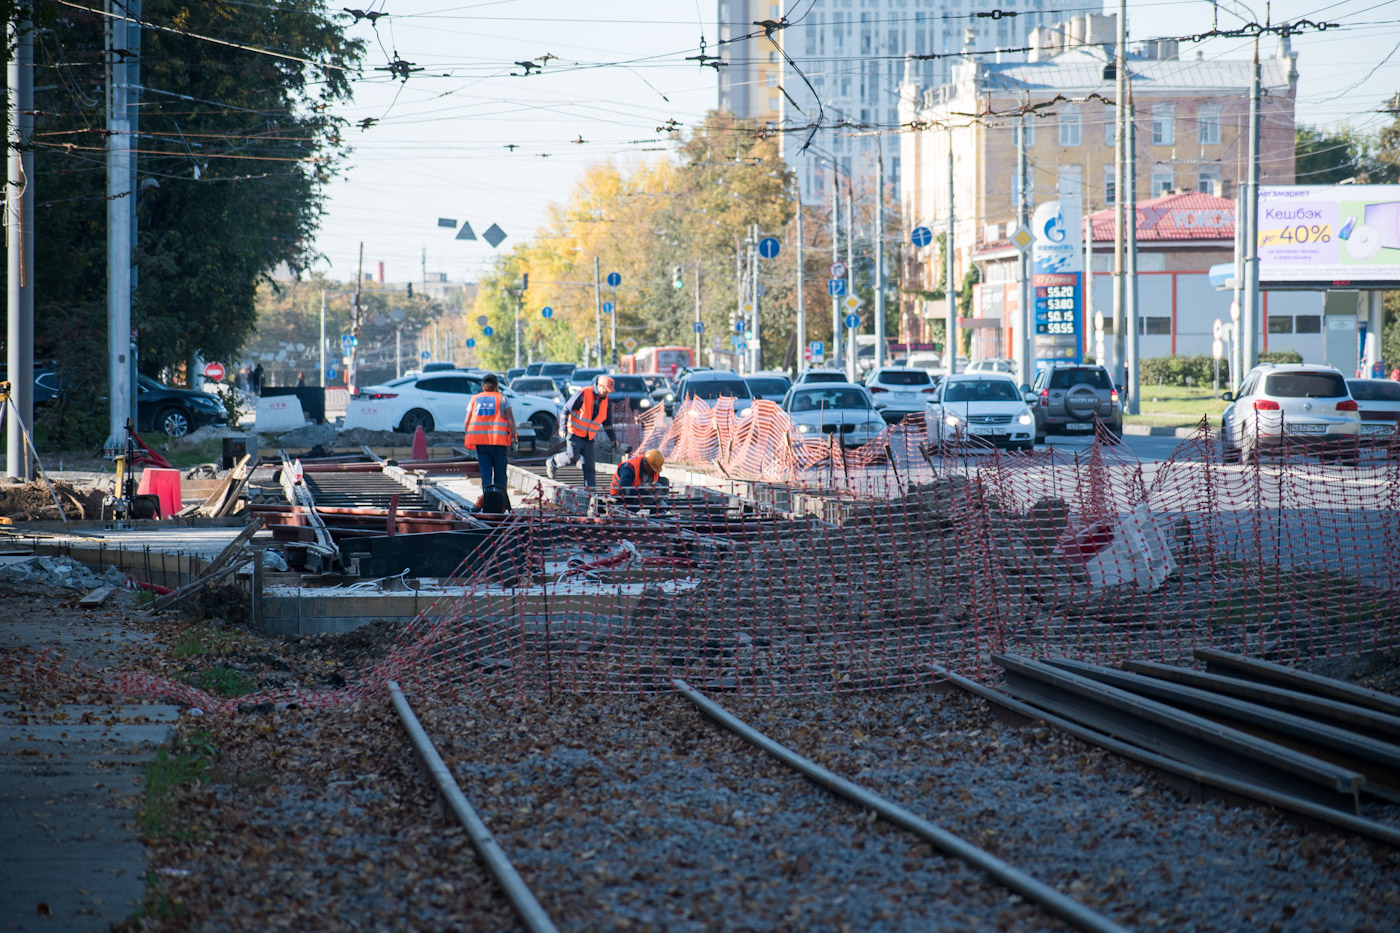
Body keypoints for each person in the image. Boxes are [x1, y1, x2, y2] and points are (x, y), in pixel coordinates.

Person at [548, 375, 620, 487]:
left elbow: (607, 422)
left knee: (589, 466)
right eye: (605, 390)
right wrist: (562, 428)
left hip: (588, 437)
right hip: (575, 432)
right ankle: (552, 462)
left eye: (608, 391)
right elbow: (566, 410)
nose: (606, 393)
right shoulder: (583, 393)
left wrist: (613, 438)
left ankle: (590, 491)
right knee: (572, 457)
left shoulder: (606, 401)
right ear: (599, 386)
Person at [463, 374, 517, 491]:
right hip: (499, 442)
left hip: (481, 443)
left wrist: (469, 435)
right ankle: (500, 498)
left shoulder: (474, 399)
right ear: (496, 386)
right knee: (500, 473)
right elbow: (511, 419)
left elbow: (466, 422)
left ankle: (487, 498)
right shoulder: (503, 399)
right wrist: (514, 438)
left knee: (486, 473)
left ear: (483, 386)